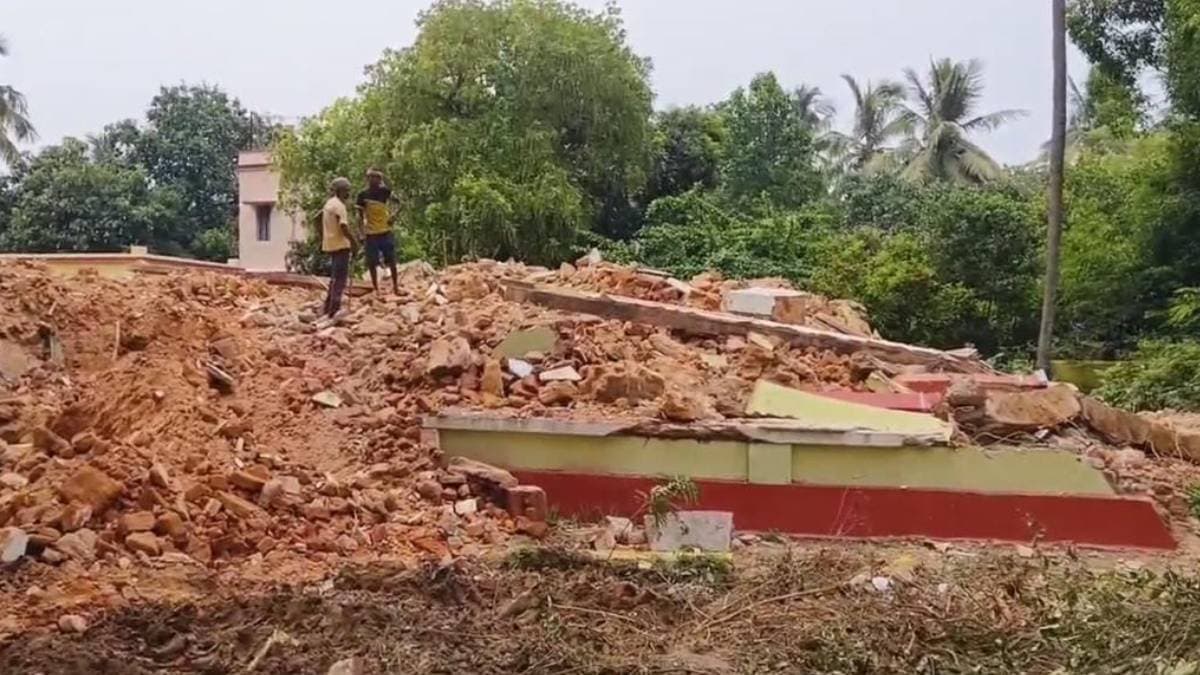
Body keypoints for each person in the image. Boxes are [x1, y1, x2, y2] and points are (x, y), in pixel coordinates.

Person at [355, 168, 400, 294]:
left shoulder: (385, 192)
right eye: (370, 177)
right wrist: (361, 232)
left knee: (391, 260)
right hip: (371, 233)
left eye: (375, 177)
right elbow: (359, 215)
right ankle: (376, 289)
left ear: (379, 179)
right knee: (372, 262)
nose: (373, 180)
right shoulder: (362, 195)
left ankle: (396, 287)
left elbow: (399, 203)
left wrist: (394, 216)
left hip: (385, 231)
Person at [322, 177, 357, 318]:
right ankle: (334, 310)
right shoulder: (339, 206)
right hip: (341, 245)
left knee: (334, 278)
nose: (348, 193)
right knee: (340, 279)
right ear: (340, 190)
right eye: (346, 190)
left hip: (331, 244)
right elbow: (344, 227)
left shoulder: (329, 204)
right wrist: (354, 243)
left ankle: (327, 308)